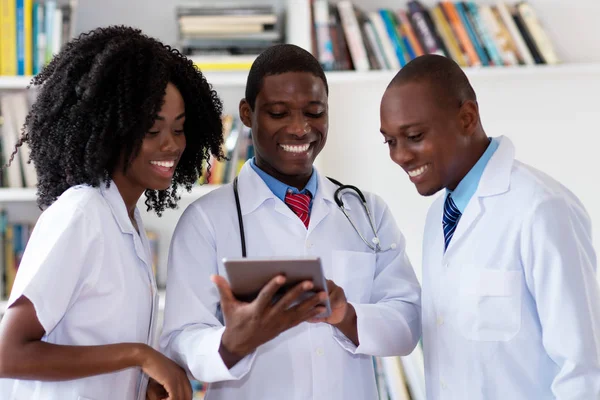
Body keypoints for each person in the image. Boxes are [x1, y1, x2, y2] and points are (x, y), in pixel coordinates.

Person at [159, 43, 422, 399]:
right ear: (248, 114)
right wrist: (232, 342)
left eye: (314, 112)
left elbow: (408, 322)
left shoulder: (366, 211)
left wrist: (346, 315)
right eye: (279, 113)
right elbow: (180, 339)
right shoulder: (205, 220)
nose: (300, 129)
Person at [0, 26, 226, 400]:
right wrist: (139, 357)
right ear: (111, 128)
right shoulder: (82, 214)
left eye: (180, 128)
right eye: (153, 130)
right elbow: (8, 352)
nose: (171, 144)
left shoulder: (128, 220)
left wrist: (138, 384)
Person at [380, 54, 600, 399]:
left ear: (467, 118)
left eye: (414, 135)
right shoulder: (438, 216)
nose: (400, 156)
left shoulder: (541, 208)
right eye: (390, 141)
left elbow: (583, 367)